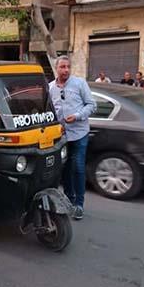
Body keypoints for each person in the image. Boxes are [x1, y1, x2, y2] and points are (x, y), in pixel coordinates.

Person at [48, 55, 97, 221]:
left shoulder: (79, 83)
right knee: (66, 168)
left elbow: (92, 105)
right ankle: (69, 198)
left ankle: (79, 204)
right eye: (62, 67)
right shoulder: (50, 88)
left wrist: (77, 116)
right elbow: (51, 112)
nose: (66, 70)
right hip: (61, 136)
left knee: (78, 167)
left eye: (68, 66)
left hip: (79, 133)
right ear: (57, 68)